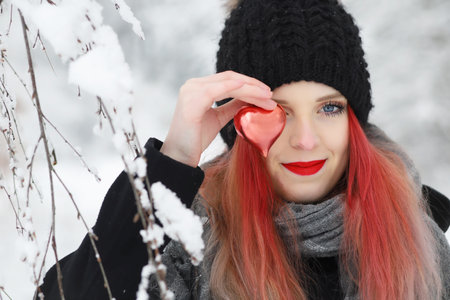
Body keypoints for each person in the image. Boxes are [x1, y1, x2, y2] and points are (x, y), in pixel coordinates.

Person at [40, 0, 450, 299]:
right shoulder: (188, 245)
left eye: (329, 108)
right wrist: (175, 158)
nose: (306, 139)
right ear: (240, 123)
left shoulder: (419, 237)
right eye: (278, 110)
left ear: (353, 121)